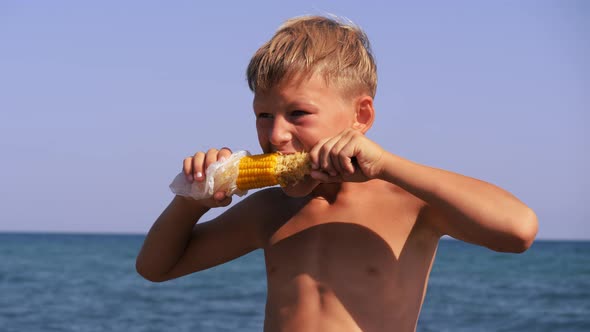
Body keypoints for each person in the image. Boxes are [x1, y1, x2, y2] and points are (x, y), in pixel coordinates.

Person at [136, 15, 538, 332]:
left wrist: (390, 166)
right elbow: (157, 268)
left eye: (298, 114)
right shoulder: (270, 211)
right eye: (263, 115)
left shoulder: (408, 202)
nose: (275, 134)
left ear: (360, 116)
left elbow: (518, 231)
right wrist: (191, 202)